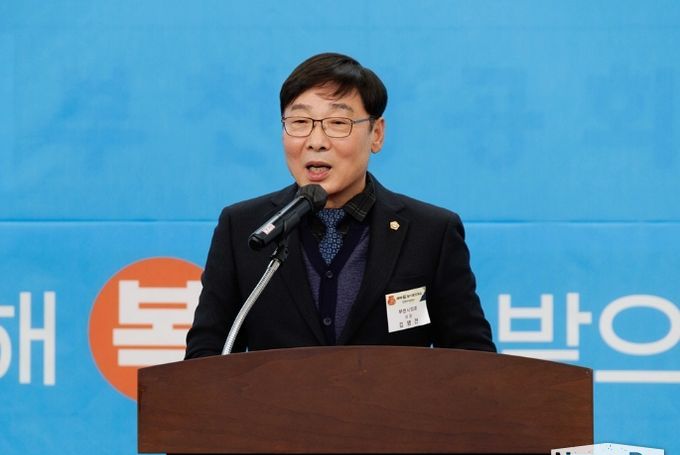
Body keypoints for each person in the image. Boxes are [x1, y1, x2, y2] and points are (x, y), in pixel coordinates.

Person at [184, 53, 495, 358]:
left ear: (377, 134)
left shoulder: (430, 232)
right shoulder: (245, 228)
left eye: (337, 122)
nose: (316, 141)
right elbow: (206, 358)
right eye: (300, 122)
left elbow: (474, 361)